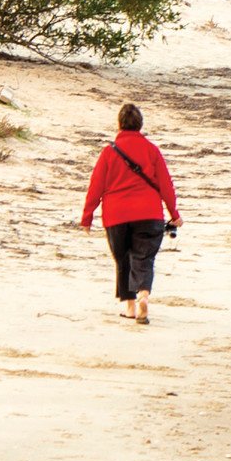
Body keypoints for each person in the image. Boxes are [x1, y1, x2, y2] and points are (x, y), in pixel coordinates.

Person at [79, 103, 181, 325]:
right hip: (149, 213)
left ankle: (130, 307)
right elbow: (165, 184)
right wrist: (174, 213)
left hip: (117, 215)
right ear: (140, 124)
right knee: (143, 258)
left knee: (123, 259)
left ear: (119, 124)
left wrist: (87, 217)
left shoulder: (109, 152)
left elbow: (95, 186)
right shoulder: (152, 150)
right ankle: (144, 294)